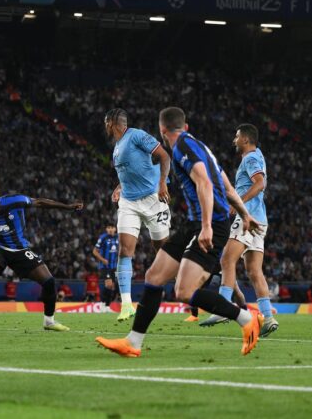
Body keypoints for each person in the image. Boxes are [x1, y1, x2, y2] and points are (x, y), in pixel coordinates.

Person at [96, 107, 264, 357]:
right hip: (195, 223)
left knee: (184, 291)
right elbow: (227, 186)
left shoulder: (182, 148)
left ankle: (246, 318)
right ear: (184, 126)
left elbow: (205, 183)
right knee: (154, 276)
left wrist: (206, 226)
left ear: (162, 129)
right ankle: (133, 342)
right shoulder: (199, 146)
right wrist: (244, 214)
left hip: (211, 225)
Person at [0, 193, 83, 333]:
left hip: (20, 250)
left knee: (49, 281)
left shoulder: (14, 201)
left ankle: (49, 321)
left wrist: (67, 207)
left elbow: (40, 202)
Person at [200, 124, 278, 336]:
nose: (234, 140)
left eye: (237, 136)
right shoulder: (257, 156)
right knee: (254, 271)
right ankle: (268, 318)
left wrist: (239, 204)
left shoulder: (250, 158)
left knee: (227, 259)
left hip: (248, 217)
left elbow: (260, 183)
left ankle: (222, 308)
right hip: (259, 219)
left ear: (245, 139)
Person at [105, 109, 172, 321]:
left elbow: (164, 156)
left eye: (106, 122)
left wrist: (162, 183)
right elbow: (130, 171)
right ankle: (126, 305)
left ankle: (184, 287)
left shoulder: (136, 135)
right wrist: (119, 187)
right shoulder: (116, 147)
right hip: (129, 203)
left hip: (153, 198)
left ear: (112, 123)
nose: (105, 127)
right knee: (125, 250)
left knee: (163, 250)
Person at [92, 224, 119, 310]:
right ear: (106, 229)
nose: (110, 229)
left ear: (115, 229)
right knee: (109, 284)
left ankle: (107, 306)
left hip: (113, 267)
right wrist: (102, 259)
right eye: (108, 228)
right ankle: (102, 303)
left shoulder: (118, 237)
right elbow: (94, 251)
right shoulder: (103, 237)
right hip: (104, 266)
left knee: (113, 286)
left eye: (112, 228)